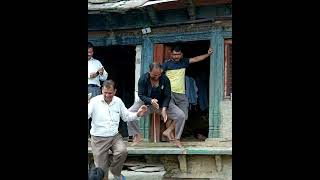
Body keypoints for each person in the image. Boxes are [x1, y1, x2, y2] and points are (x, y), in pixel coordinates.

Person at [88, 80, 147, 180]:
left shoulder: (118, 101)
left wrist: (138, 114)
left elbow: (126, 116)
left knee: (122, 151)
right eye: (105, 92)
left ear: (115, 91)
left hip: (114, 136)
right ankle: (106, 172)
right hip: (98, 138)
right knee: (101, 172)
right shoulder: (94, 101)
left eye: (110, 93)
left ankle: (115, 172)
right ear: (102, 90)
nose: (107, 95)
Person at [127, 63, 186, 148]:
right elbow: (141, 95)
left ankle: (177, 139)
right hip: (146, 104)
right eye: (154, 75)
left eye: (159, 74)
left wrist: (164, 108)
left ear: (161, 71)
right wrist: (150, 100)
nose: (157, 77)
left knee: (181, 115)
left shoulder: (165, 79)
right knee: (129, 113)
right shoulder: (143, 79)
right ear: (149, 71)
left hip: (162, 104)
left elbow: (167, 95)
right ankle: (137, 135)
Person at [162, 45, 214, 139]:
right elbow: (158, 75)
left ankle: (169, 130)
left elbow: (196, 58)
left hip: (181, 94)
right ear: (171, 54)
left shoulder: (184, 62)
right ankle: (172, 139)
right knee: (170, 116)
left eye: (178, 54)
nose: (176, 57)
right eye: (174, 54)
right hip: (169, 93)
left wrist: (208, 54)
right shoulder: (166, 64)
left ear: (181, 54)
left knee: (184, 115)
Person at [88, 42, 109, 138]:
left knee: (96, 111)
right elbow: (90, 76)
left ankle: (94, 134)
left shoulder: (97, 62)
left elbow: (104, 77)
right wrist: (96, 73)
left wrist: (101, 73)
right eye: (88, 52)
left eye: (91, 52)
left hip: (95, 89)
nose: (89, 54)